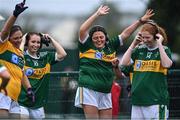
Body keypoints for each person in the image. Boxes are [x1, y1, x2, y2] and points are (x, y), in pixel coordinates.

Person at [74, 5, 154, 119]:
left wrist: (140, 21)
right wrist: (97, 14)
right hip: (88, 90)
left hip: (106, 91)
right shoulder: (86, 46)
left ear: (105, 37)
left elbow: (126, 34)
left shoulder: (111, 46)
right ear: (91, 40)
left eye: (101, 37)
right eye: (95, 38)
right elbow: (82, 30)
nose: (98, 40)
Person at [120, 20, 173, 119]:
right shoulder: (139, 50)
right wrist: (133, 44)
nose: (144, 40)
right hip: (137, 101)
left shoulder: (164, 50)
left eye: (147, 37)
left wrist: (160, 44)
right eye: (143, 37)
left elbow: (166, 64)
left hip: (155, 102)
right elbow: (123, 63)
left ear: (156, 36)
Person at [17, 32, 67, 119]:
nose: (36, 45)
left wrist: (51, 39)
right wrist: (22, 41)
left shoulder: (46, 57)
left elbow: (63, 54)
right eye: (33, 42)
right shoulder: (22, 56)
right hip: (21, 102)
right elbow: (18, 56)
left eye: (38, 42)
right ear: (27, 43)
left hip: (38, 103)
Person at [0, 1, 34, 118]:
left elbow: (22, 74)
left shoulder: (20, 53)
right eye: (15, 38)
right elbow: (4, 31)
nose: (19, 40)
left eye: (20, 37)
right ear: (8, 38)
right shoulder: (3, 46)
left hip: (14, 97)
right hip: (2, 93)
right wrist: (15, 15)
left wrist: (29, 89)